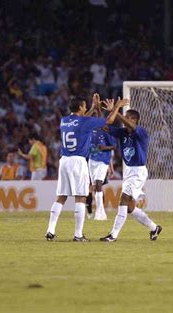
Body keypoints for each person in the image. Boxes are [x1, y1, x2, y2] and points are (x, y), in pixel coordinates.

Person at [45, 95, 124, 242]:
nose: (86, 108)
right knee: (81, 197)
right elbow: (109, 121)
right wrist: (117, 106)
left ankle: (50, 230)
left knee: (61, 197)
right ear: (80, 107)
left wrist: (94, 108)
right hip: (78, 162)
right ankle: (78, 235)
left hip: (64, 161)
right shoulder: (84, 122)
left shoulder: (64, 121)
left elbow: (80, 123)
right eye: (85, 106)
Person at [99, 99, 162, 242]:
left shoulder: (141, 132)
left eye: (127, 117)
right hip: (129, 171)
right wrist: (114, 109)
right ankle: (154, 228)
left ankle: (113, 235)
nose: (124, 120)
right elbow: (106, 125)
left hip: (138, 171)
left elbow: (131, 126)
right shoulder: (122, 132)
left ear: (134, 119)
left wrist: (117, 110)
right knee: (130, 208)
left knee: (123, 199)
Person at [88, 127, 116, 220]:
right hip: (91, 161)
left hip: (103, 161)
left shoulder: (106, 131)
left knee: (99, 184)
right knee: (94, 187)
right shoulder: (89, 131)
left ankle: (99, 213)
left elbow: (114, 146)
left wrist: (104, 148)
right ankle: (97, 212)